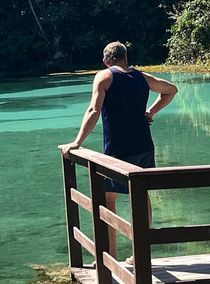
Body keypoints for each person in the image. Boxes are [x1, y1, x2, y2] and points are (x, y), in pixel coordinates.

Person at [60, 41, 178, 257]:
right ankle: (140, 253)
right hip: (144, 146)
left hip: (118, 149)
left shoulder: (104, 77)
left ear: (106, 61)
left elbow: (94, 110)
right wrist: (151, 112)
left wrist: (77, 142)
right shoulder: (143, 77)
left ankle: (111, 254)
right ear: (125, 57)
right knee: (140, 196)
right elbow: (171, 90)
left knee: (108, 199)